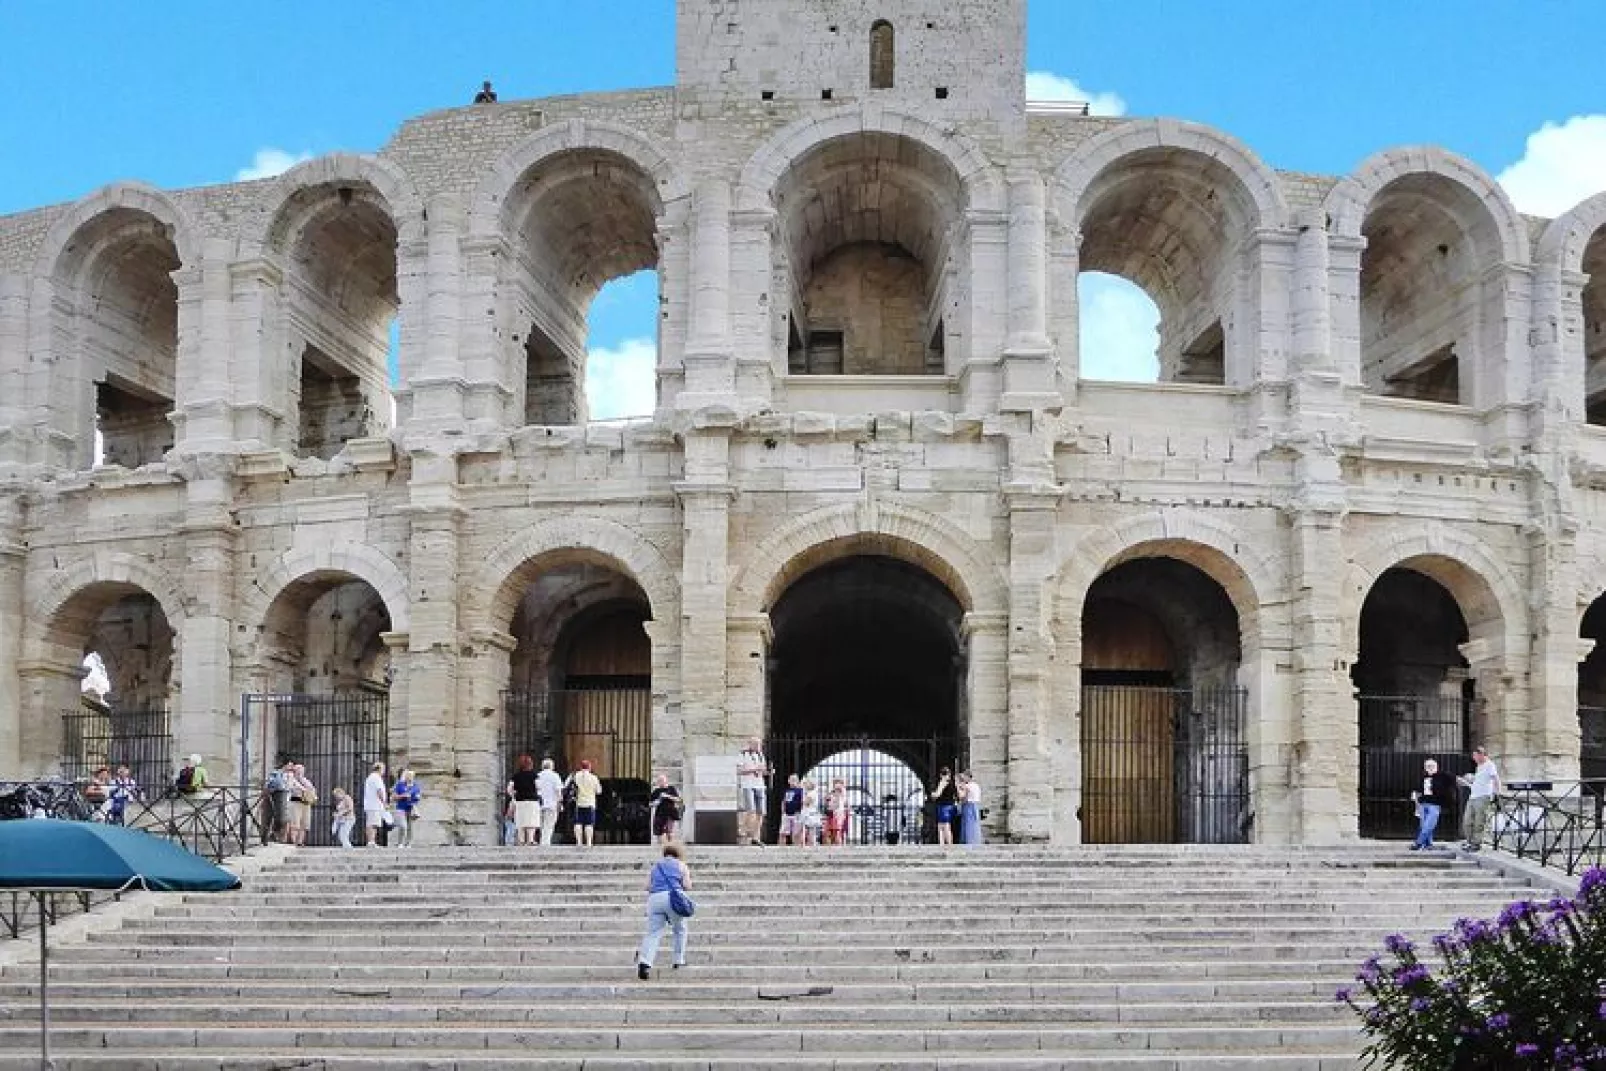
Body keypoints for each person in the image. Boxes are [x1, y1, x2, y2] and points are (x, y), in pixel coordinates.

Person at [635, 843, 691, 979]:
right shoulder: (681, 865)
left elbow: (647, 886)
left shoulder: (656, 867)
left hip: (655, 899)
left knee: (653, 933)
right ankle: (678, 960)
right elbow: (687, 886)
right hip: (673, 898)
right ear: (678, 854)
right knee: (680, 929)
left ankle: (645, 963)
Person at [1457, 746, 1502, 852]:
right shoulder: (1479, 767)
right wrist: (1466, 781)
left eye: (1475, 756)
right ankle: (1469, 841)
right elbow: (1478, 783)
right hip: (1473, 796)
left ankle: (1476, 844)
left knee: (1479, 822)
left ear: (1481, 755)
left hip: (1483, 797)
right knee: (1467, 821)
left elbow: (1496, 779)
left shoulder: (1490, 765)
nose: (1473, 758)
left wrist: (1497, 794)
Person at [1410, 758, 1458, 851]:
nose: (1429, 768)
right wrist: (1417, 805)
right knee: (1423, 825)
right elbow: (1417, 791)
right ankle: (1428, 844)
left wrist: (1469, 783)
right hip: (1423, 804)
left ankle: (1418, 843)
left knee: (1429, 825)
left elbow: (1456, 779)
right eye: (1427, 766)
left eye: (1432, 766)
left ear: (1436, 766)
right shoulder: (1423, 777)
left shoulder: (1443, 775)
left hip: (1435, 804)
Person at [737, 738, 771, 846]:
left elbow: (762, 771)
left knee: (761, 812)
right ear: (750, 744)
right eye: (755, 744)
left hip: (759, 785)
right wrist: (754, 769)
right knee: (750, 810)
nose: (758, 746)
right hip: (748, 785)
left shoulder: (761, 755)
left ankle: (756, 836)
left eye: (759, 744)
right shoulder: (743, 755)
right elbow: (739, 771)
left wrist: (768, 772)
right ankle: (743, 831)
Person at [508, 755, 541, 846]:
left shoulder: (516, 776)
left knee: (521, 820)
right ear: (530, 764)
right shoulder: (534, 775)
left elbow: (509, 788)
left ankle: (521, 840)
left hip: (520, 800)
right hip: (532, 800)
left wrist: (513, 795)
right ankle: (530, 839)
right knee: (531, 820)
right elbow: (539, 786)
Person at [569, 760, 603, 847]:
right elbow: (599, 791)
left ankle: (579, 842)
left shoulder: (575, 776)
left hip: (579, 803)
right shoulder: (593, 778)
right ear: (589, 767)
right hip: (590, 803)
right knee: (589, 823)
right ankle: (588, 842)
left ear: (581, 767)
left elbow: (568, 786)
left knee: (578, 823)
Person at [266, 759, 296, 843]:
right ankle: (274, 834)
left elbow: (292, 787)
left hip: (287, 798)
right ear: (285, 765)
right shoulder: (276, 773)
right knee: (280, 817)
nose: (291, 767)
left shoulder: (290, 775)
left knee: (286, 819)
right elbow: (272, 784)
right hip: (278, 797)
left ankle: (281, 838)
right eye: (290, 765)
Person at [536, 758, 564, 846]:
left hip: (539, 804)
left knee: (541, 825)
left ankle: (543, 841)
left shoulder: (538, 775)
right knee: (549, 825)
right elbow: (558, 790)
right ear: (552, 766)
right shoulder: (555, 776)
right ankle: (545, 843)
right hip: (552, 804)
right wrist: (560, 801)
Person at [649, 773, 682, 845]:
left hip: (670, 813)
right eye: (659, 780)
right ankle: (659, 847)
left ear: (666, 780)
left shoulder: (671, 789)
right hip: (660, 814)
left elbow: (678, 800)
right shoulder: (656, 791)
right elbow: (650, 804)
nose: (660, 782)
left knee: (669, 831)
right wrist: (657, 802)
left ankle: (670, 846)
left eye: (662, 780)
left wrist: (668, 796)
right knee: (658, 832)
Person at [362, 761, 390, 847]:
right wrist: (384, 802)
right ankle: (371, 841)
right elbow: (379, 791)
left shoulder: (371, 777)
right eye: (383, 769)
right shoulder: (376, 777)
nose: (384, 771)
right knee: (372, 824)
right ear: (379, 769)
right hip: (374, 804)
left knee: (372, 823)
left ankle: (372, 841)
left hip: (372, 804)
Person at [392, 768, 421, 848]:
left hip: (411, 808)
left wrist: (415, 798)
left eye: (411, 776)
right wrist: (402, 796)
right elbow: (393, 797)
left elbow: (418, 797)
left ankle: (409, 843)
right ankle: (400, 842)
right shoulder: (400, 785)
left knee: (410, 826)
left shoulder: (416, 786)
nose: (409, 777)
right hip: (401, 807)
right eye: (408, 776)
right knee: (403, 825)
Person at [930, 767, 958, 846]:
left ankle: (946, 844)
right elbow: (956, 795)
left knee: (944, 826)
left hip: (943, 806)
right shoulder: (953, 783)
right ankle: (945, 844)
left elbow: (938, 794)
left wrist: (933, 794)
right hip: (950, 806)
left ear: (941, 775)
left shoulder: (943, 782)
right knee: (944, 826)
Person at [958, 771, 983, 846]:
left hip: (968, 805)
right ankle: (976, 841)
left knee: (968, 824)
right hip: (975, 805)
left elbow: (963, 797)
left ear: (968, 777)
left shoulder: (968, 786)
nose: (964, 779)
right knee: (975, 823)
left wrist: (958, 788)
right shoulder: (976, 785)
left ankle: (969, 841)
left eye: (964, 777)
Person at [778, 774, 804, 846]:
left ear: (798, 781)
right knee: (783, 832)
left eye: (794, 780)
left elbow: (802, 802)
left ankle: (796, 847)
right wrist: (783, 811)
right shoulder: (786, 790)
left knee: (796, 833)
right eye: (791, 779)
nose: (793, 781)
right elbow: (784, 801)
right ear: (788, 781)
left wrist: (800, 811)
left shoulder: (800, 790)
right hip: (787, 814)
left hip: (796, 814)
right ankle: (781, 847)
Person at [825, 778, 849, 846]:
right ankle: (835, 843)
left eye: (838, 783)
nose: (836, 784)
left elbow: (838, 804)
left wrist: (832, 805)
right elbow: (827, 799)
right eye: (835, 783)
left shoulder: (841, 792)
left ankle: (839, 844)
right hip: (833, 813)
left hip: (838, 813)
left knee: (838, 830)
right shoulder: (833, 792)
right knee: (832, 830)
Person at [801, 778, 823, 847]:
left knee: (810, 829)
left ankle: (810, 843)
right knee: (811, 829)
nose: (805, 785)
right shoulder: (812, 793)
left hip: (810, 813)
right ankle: (811, 843)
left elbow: (806, 803)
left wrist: (803, 800)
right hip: (811, 812)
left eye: (806, 783)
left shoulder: (811, 793)